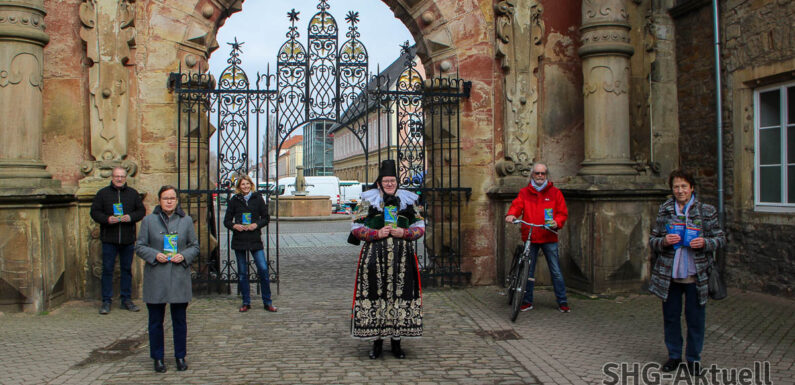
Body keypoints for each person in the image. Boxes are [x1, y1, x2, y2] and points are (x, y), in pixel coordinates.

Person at [649, 169, 725, 376]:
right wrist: (664, 241)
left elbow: (720, 238)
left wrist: (705, 242)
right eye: (676, 187)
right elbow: (653, 240)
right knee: (671, 318)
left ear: (692, 188)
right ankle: (674, 356)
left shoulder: (706, 210)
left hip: (696, 275)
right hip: (670, 276)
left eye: (684, 186)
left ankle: (693, 359)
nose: (680, 190)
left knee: (695, 320)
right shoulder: (665, 210)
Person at [350, 159, 424, 359]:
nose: (390, 184)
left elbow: (420, 226)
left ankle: (397, 342)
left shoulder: (408, 200)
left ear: (397, 182)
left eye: (393, 180)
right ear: (379, 183)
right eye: (386, 181)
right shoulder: (368, 201)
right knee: (377, 295)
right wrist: (375, 234)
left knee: (399, 295)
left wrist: (404, 233)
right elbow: (355, 227)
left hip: (402, 258)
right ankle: (377, 342)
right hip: (375, 257)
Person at [135, 185, 199, 373]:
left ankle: (180, 356)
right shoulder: (148, 221)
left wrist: (184, 255)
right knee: (155, 321)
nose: (169, 201)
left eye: (172, 198)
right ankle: (158, 357)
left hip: (178, 276)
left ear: (177, 200)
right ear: (159, 200)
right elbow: (140, 246)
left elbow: (194, 246)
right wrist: (154, 255)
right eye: (165, 198)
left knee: (179, 320)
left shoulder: (186, 221)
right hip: (156, 276)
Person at [504, 162, 570, 313]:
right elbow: (517, 205)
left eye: (543, 173)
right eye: (537, 173)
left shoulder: (555, 193)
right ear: (532, 175)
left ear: (546, 175)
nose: (540, 176)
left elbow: (562, 213)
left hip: (549, 236)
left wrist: (557, 222)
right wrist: (511, 214)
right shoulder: (524, 192)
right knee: (528, 272)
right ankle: (527, 301)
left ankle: (562, 302)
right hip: (531, 236)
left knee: (556, 271)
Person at [89, 166, 146, 315]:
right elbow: (94, 212)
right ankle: (106, 301)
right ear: (112, 177)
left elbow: (141, 211)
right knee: (107, 269)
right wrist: (107, 219)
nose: (119, 179)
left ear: (125, 178)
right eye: (117, 176)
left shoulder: (133, 193)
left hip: (127, 239)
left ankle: (126, 299)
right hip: (109, 238)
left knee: (126, 270)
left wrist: (130, 217)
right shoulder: (103, 194)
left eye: (122, 176)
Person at [223, 174, 276, 313]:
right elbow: (226, 221)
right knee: (242, 272)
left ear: (251, 185)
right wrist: (234, 226)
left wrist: (256, 225)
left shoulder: (257, 198)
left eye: (247, 184)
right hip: (239, 239)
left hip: (254, 238)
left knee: (263, 269)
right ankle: (246, 302)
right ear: (239, 186)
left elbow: (266, 218)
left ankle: (267, 301)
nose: (245, 186)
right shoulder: (234, 200)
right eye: (242, 184)